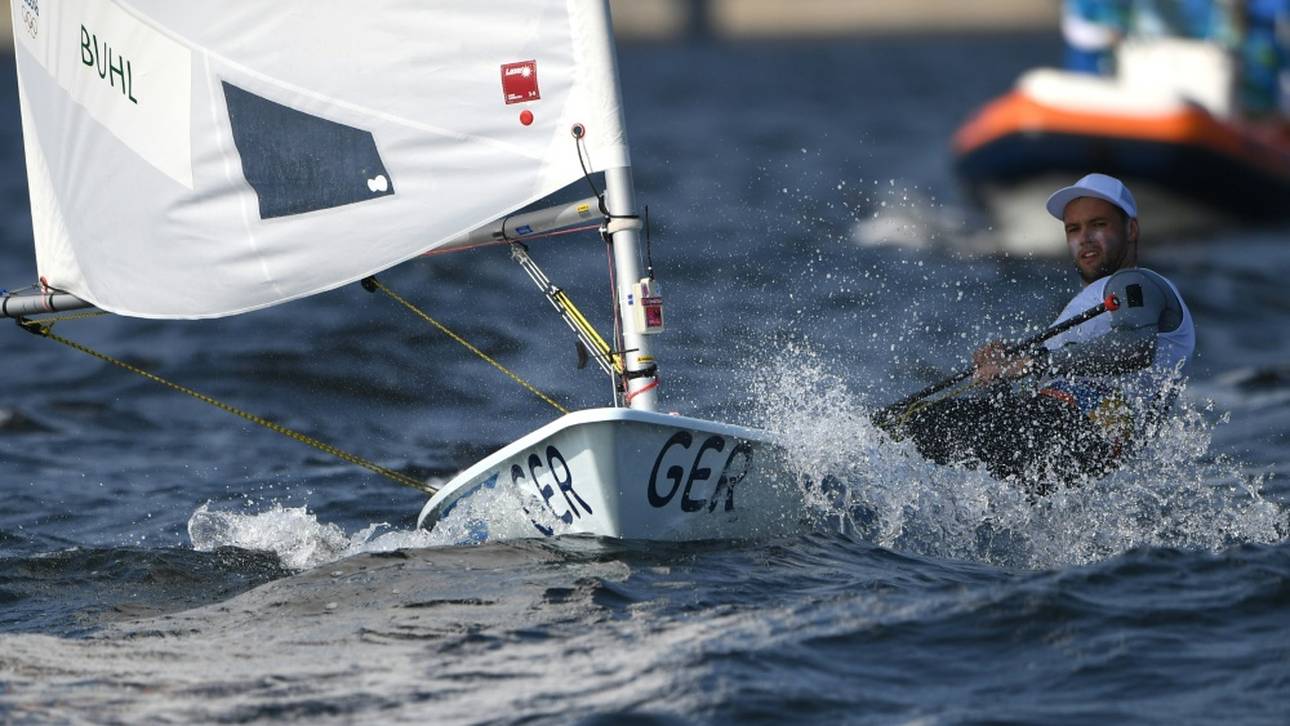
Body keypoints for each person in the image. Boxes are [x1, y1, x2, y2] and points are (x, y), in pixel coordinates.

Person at [890, 173, 1195, 493]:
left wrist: (1030, 363)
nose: (1085, 238)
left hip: (1083, 432)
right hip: (1063, 434)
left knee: (919, 429)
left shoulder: (1136, 283)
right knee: (928, 429)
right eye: (1073, 229)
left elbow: (1135, 348)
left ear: (1131, 229)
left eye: (1098, 225)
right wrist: (1003, 371)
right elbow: (1059, 372)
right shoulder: (1092, 304)